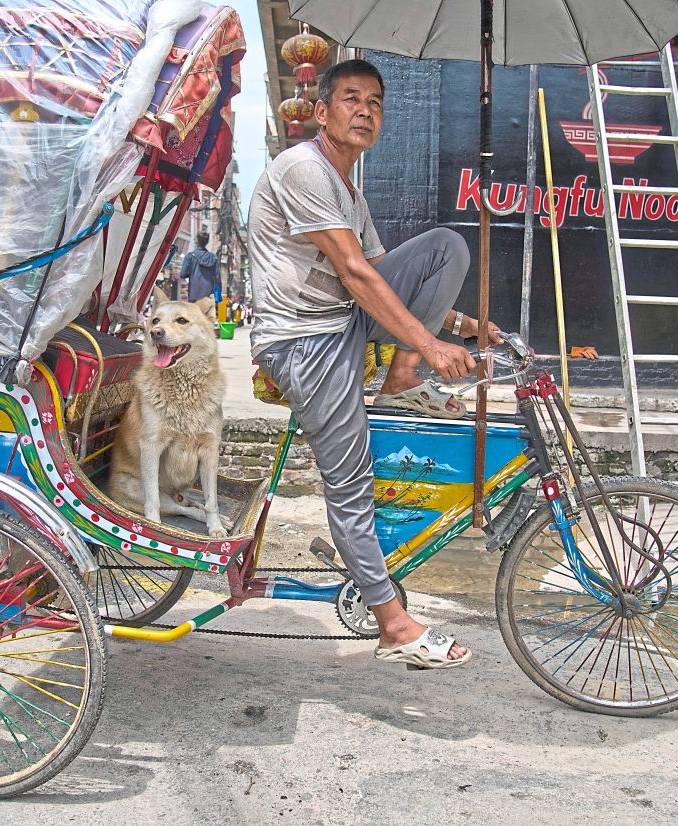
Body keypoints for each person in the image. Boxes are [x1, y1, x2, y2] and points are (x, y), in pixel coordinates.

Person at [248, 59, 499, 670]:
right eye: (351, 99)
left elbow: (395, 277)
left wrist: (466, 327)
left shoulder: (348, 185)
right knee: (349, 477)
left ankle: (402, 375)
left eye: (376, 103)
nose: (365, 110)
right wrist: (432, 349)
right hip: (301, 343)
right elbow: (358, 275)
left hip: (340, 327)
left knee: (445, 248)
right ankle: (392, 622)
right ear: (322, 111)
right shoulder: (305, 169)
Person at [180, 231, 220, 302]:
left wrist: (192, 272)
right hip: (209, 298)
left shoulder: (190, 256)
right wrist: (218, 298)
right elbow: (217, 279)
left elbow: (182, 274)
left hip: (194, 296)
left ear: (197, 241)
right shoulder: (213, 257)